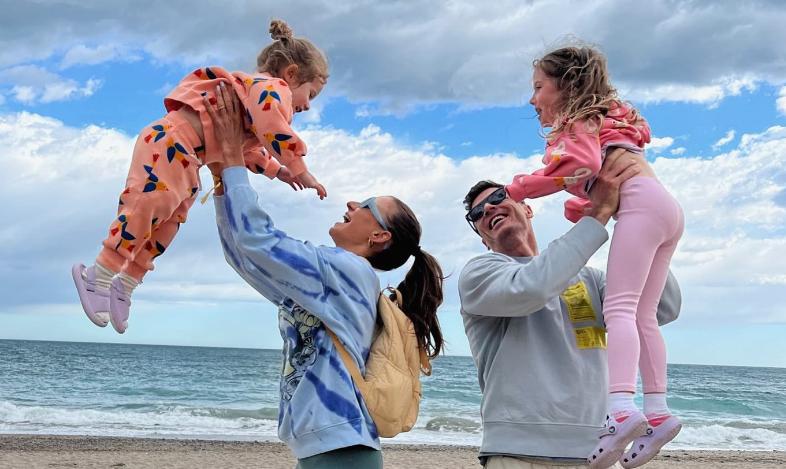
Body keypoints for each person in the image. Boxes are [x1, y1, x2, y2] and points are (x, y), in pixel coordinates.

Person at [205, 81, 444, 468]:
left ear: (379, 236)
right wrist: (221, 175)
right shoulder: (332, 281)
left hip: (341, 447)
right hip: (329, 446)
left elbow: (259, 242)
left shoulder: (348, 271)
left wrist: (234, 159)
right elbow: (245, 257)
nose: (351, 203)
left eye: (366, 205)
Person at [72, 19, 328, 334]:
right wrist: (301, 168)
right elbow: (274, 128)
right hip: (169, 141)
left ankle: (126, 283)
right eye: (311, 94)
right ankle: (98, 274)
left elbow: (247, 150)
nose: (308, 106)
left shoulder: (253, 103)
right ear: (291, 74)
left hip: (190, 159)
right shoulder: (271, 89)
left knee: (170, 222)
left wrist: (281, 171)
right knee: (149, 204)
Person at [502, 46, 684, 467]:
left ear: (567, 85)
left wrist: (518, 188)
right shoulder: (608, 118)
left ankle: (620, 408)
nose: (532, 99)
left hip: (639, 205)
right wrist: (581, 206)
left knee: (620, 308)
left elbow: (581, 165)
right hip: (664, 207)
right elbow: (595, 173)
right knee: (643, 314)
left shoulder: (580, 120)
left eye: (538, 87)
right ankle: (657, 412)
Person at [459, 149, 682, 469]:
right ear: (483, 238)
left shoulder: (589, 279)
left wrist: (634, 214)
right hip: (517, 453)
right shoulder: (480, 274)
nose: (489, 208)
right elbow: (533, 288)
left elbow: (663, 307)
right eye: (477, 213)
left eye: (498, 197)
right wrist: (598, 214)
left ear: (527, 208)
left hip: (596, 451)